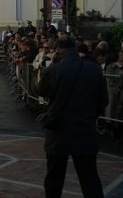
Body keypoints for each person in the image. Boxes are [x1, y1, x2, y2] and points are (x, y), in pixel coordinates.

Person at [37, 35, 108, 198]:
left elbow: (40, 90)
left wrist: (52, 66)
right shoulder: (94, 69)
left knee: (54, 178)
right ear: (74, 48)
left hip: (58, 131)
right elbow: (103, 100)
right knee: (89, 178)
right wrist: (89, 116)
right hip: (85, 129)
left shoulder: (54, 70)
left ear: (58, 50)